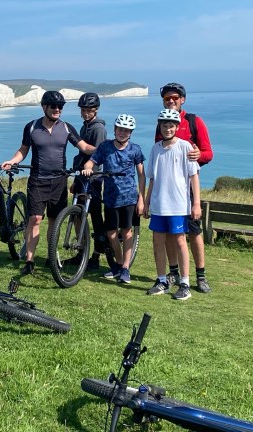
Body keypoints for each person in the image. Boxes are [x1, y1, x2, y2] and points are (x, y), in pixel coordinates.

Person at [2, 90, 97, 275]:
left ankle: (51, 256)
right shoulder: (31, 127)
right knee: (35, 219)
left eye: (60, 107)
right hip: (38, 180)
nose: (57, 109)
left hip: (59, 181)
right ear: (44, 107)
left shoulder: (67, 127)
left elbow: (84, 146)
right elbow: (23, 149)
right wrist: (13, 161)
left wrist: (105, 148)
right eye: (53, 106)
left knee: (55, 221)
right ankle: (29, 260)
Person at [156, 82, 213, 293]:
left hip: (187, 187)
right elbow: (159, 151)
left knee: (194, 232)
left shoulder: (194, 121)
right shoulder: (162, 122)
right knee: (171, 233)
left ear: (182, 99)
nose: (171, 101)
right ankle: (173, 272)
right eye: (167, 99)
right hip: (167, 188)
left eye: (175, 98)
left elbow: (208, 153)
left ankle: (200, 275)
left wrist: (199, 156)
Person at [144, 109, 201, 300]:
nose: (167, 129)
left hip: (178, 204)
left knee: (179, 241)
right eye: (164, 125)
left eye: (171, 125)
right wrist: (146, 200)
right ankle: (162, 280)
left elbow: (194, 176)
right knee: (157, 241)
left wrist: (196, 204)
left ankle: (184, 283)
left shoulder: (186, 147)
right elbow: (151, 177)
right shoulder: (155, 149)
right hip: (159, 204)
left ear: (177, 127)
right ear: (159, 127)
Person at [81, 113, 145, 284]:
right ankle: (117, 264)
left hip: (129, 197)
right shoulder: (105, 147)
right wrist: (87, 168)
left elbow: (141, 175)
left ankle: (125, 268)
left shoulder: (135, 150)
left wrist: (142, 198)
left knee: (126, 232)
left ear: (130, 133)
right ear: (115, 130)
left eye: (126, 130)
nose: (123, 133)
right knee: (110, 234)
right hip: (110, 198)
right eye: (120, 129)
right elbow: (92, 161)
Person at [69, 92, 108, 270]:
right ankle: (81, 250)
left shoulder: (97, 128)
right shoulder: (86, 126)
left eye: (89, 110)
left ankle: (96, 255)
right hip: (82, 174)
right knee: (78, 212)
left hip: (93, 176)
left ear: (96, 110)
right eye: (83, 110)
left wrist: (89, 167)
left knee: (94, 213)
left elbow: (99, 152)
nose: (85, 113)